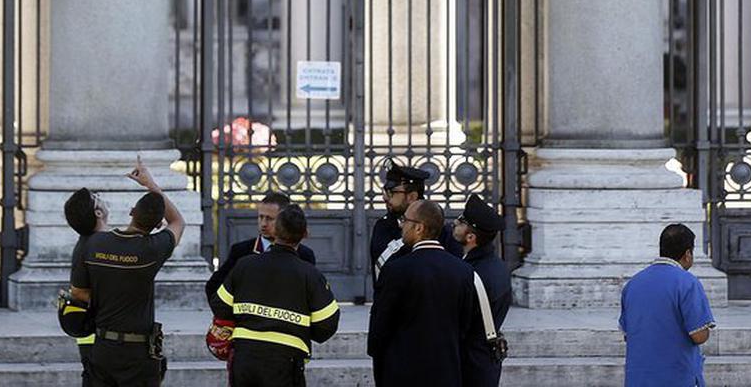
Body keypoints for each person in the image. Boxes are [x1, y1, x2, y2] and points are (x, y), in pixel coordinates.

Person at [67, 156, 186, 387]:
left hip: (103, 347)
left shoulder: (87, 246)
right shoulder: (149, 249)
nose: (101, 198)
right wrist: (150, 185)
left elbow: (79, 294)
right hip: (139, 353)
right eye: (96, 199)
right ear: (99, 213)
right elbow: (178, 222)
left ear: (132, 212)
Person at [209, 204, 340, 386]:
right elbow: (326, 324)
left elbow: (220, 305)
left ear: (275, 231)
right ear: (305, 234)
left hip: (245, 358)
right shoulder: (311, 275)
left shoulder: (244, 265)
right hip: (286, 362)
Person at [368, 199, 479, 387]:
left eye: (405, 221)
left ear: (419, 228)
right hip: (446, 372)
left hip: (402, 373)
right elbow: (465, 326)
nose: (402, 226)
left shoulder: (395, 270)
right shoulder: (463, 271)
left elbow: (380, 327)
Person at [618, 224, 716, 387]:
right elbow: (698, 335)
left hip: (638, 379)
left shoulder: (633, 284)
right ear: (687, 254)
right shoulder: (688, 282)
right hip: (676, 377)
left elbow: (628, 335)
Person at [453, 194, 512, 387]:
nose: (455, 223)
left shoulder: (471, 275)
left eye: (461, 221)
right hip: (487, 359)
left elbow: (460, 324)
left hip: (470, 363)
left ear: (471, 237)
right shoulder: (498, 266)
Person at [370, 163, 462, 282]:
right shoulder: (383, 227)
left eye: (391, 192)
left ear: (412, 197)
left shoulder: (442, 233)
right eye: (385, 191)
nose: (385, 198)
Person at [61, 189, 100, 387]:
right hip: (93, 335)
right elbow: (78, 292)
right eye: (96, 198)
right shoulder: (86, 246)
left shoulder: (95, 242)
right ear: (98, 212)